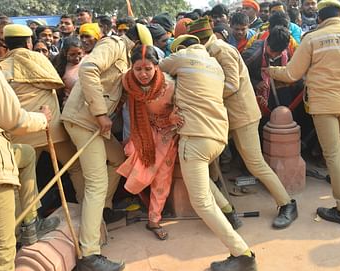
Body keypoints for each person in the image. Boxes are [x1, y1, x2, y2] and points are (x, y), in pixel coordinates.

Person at [267, 0, 340, 226]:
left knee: (331, 152)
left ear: (319, 17)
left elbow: (292, 73)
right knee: (339, 139)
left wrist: (271, 70)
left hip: (323, 103)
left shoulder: (312, 38)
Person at [190, 17, 299, 229]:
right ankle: (222, 208)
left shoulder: (221, 50)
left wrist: (201, 94)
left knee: (255, 163)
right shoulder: (211, 50)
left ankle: (287, 204)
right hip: (226, 115)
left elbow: (231, 84)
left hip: (242, 115)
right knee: (210, 159)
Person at [160, 35, 257, 271]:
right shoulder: (214, 63)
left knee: (201, 202)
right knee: (204, 184)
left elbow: (158, 69)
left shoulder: (182, 56)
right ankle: (227, 211)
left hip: (195, 138)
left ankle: (242, 254)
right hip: (217, 137)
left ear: (180, 47)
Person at [61, 24, 152, 270]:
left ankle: (105, 209)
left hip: (94, 124)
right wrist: (101, 114)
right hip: (84, 120)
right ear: (134, 44)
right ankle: (89, 254)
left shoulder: (124, 54)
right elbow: (88, 69)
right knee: (96, 182)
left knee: (117, 159)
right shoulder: (113, 45)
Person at [0, 16, 51, 270]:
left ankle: (30, 221)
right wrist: (42, 119)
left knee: (24, 154)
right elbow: (14, 120)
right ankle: (29, 225)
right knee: (0, 250)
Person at [0, 24, 86, 204]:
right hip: (50, 129)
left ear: (6, 43)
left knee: (24, 180)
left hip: (21, 130)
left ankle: (27, 224)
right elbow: (56, 83)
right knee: (75, 167)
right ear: (29, 42)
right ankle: (88, 208)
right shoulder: (39, 60)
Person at [117, 45, 183, 240]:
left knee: (162, 176)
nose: (143, 74)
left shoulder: (170, 85)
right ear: (131, 68)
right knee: (133, 161)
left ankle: (154, 219)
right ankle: (142, 203)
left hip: (168, 133)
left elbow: (182, 107)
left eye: (148, 69)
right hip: (142, 131)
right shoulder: (127, 82)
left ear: (156, 67)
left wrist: (173, 117)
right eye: (138, 69)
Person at [53, 37, 85, 108]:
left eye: (79, 53)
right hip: (70, 107)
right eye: (72, 54)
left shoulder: (88, 61)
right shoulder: (61, 69)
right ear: (65, 53)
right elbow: (58, 93)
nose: (77, 58)